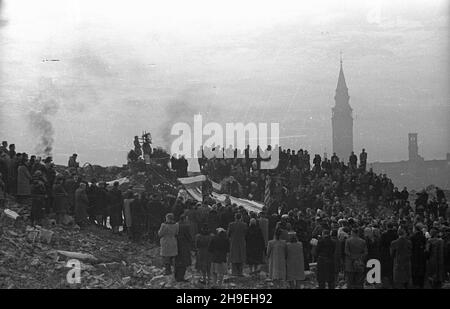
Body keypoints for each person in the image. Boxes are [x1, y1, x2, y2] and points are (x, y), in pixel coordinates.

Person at [175, 214, 192, 282]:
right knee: (183, 262)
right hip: (184, 245)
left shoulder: (176, 224)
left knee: (177, 261)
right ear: (184, 219)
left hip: (176, 244)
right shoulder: (185, 226)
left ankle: (176, 276)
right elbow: (188, 236)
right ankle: (181, 277)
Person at [410, 223, 427, 288]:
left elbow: (411, 247)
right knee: (421, 270)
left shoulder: (412, 237)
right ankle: (421, 284)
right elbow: (425, 247)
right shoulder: (423, 237)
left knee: (414, 270)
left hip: (414, 256)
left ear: (415, 229)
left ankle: (415, 284)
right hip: (422, 256)